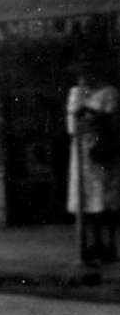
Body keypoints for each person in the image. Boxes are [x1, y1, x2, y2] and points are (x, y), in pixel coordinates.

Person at [68, 62, 120, 265]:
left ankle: (110, 245)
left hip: (102, 150)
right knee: (85, 200)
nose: (84, 79)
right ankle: (92, 244)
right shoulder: (76, 93)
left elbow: (111, 118)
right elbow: (72, 124)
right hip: (81, 152)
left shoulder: (109, 92)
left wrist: (89, 111)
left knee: (105, 199)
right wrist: (81, 103)